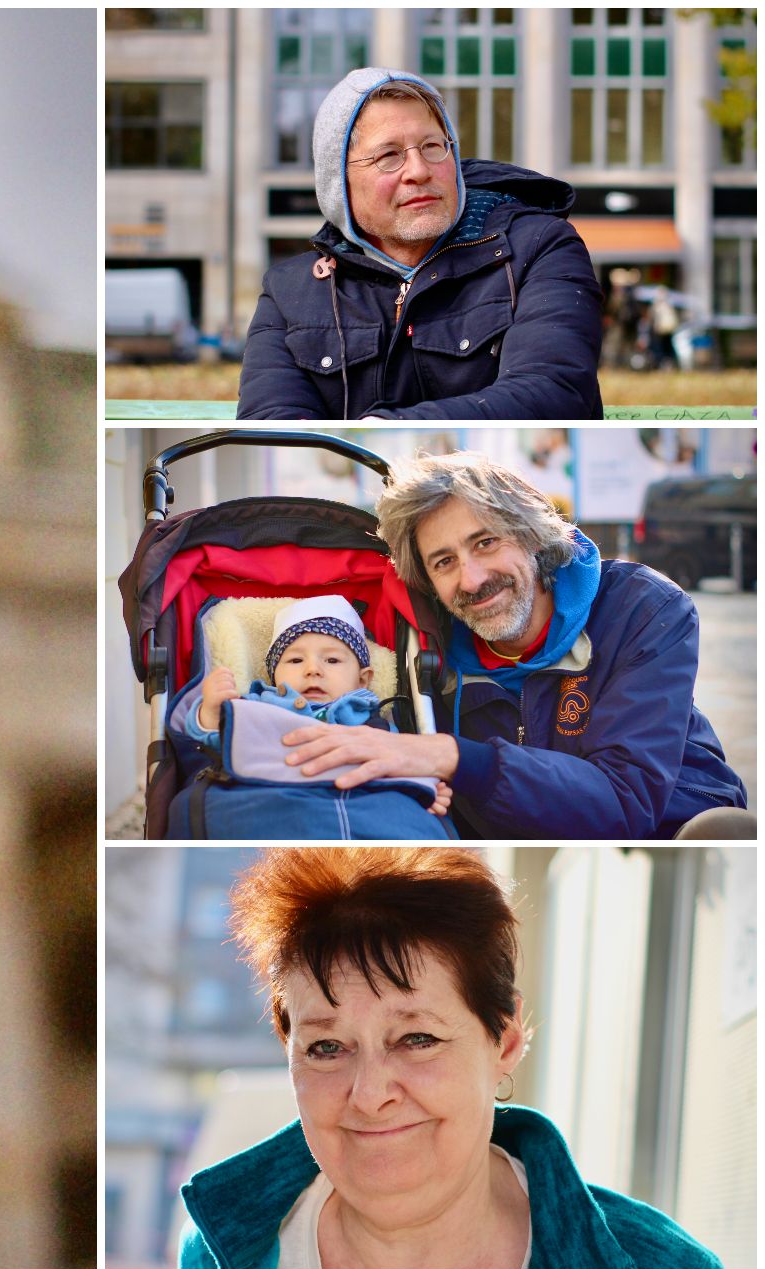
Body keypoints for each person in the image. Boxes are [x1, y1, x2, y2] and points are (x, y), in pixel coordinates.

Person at [179, 847, 724, 1269]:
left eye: (417, 1038)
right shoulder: (215, 1259)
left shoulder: (662, 1268)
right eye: (326, 1047)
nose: (370, 1097)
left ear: (504, 1042)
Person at [276, 451, 750, 840]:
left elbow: (627, 801)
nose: (472, 578)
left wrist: (456, 758)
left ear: (532, 537)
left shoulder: (642, 609)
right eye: (444, 562)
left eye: (485, 543)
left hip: (672, 830)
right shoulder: (423, 656)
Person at [238, 69, 604, 419]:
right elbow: (272, 423)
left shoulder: (539, 247)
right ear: (339, 182)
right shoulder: (290, 291)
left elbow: (553, 390)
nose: (419, 170)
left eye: (432, 147)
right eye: (388, 156)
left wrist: (387, 429)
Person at [176, 596, 453, 818]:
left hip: (352, 806)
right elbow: (217, 747)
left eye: (332, 661)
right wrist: (211, 713)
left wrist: (424, 784)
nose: (313, 670)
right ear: (274, 677)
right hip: (270, 798)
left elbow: (400, 760)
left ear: (364, 679)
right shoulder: (258, 707)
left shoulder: (374, 724)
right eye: (296, 661)